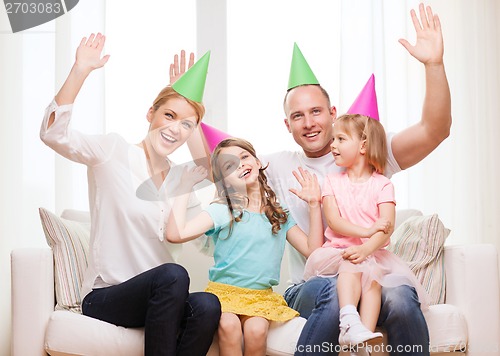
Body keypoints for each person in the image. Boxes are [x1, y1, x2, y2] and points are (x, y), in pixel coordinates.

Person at [260, 3, 451, 355]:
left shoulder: (370, 155)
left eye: (316, 111)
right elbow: (218, 164)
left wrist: (434, 65)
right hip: (313, 283)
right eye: (297, 116)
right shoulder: (276, 166)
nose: (309, 122)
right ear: (287, 125)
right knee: (333, 293)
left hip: (372, 271)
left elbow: (434, 130)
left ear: (334, 114)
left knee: (401, 298)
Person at [40, 33, 221, 356]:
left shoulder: (181, 181)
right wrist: (80, 70)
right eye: (168, 115)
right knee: (173, 275)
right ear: (150, 113)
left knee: (207, 305)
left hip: (162, 295)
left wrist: (189, 106)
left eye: (187, 125)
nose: (174, 129)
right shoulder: (113, 151)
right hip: (106, 296)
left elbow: (210, 170)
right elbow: (53, 134)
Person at [165, 137, 323, 356]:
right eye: (230, 166)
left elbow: (313, 251)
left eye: (244, 157)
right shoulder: (224, 209)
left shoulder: (279, 214)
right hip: (224, 295)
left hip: (261, 297)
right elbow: (175, 234)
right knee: (229, 326)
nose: (240, 165)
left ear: (258, 162)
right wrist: (184, 188)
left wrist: (314, 205)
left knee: (257, 329)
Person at [302, 114, 429, 350]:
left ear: (362, 145)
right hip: (337, 252)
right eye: (333, 139)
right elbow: (334, 220)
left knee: (373, 278)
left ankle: (363, 339)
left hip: (372, 253)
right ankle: (349, 320)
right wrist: (367, 231)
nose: (333, 145)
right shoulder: (331, 181)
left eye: (340, 139)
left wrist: (367, 247)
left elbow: (387, 228)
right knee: (352, 262)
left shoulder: (382, 184)